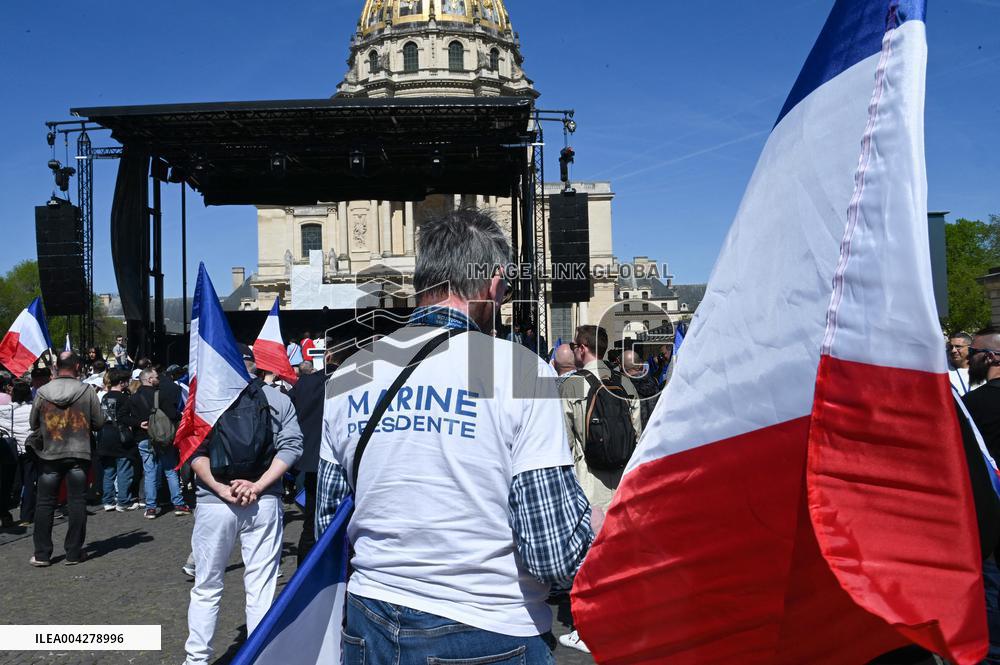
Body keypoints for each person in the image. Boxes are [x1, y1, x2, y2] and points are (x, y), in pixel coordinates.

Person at [317, 209, 593, 665]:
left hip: (370, 621)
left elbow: (328, 522)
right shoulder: (519, 369)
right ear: (494, 283)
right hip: (490, 630)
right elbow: (551, 552)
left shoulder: (351, 371)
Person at [184, 343, 302, 665]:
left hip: (215, 502)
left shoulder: (205, 400)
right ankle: (261, 656)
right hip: (263, 501)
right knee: (261, 588)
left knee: (207, 586)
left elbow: (192, 452)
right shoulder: (277, 398)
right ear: (253, 363)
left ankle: (196, 660)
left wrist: (221, 489)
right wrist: (260, 484)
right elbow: (292, 446)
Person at [557, 325, 641, 653]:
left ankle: (589, 628)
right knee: (620, 555)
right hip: (621, 482)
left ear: (581, 349)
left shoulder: (571, 385)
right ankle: (624, 619)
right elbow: (637, 432)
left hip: (587, 483)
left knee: (589, 559)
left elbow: (565, 442)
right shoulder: (625, 382)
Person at [28, 352, 104, 566]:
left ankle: (42, 554)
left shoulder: (43, 392)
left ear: (56, 367)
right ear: (77, 366)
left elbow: (34, 423)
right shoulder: (86, 391)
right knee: (77, 502)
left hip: (50, 454)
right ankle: (73, 552)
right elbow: (99, 422)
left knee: (44, 503)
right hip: (78, 453)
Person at [961, 327, 1000, 665]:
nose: (968, 358)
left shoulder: (974, 404)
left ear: (989, 358)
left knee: (991, 586)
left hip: (989, 509)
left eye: (973, 351)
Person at [127, 367, 189, 519]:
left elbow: (122, 416)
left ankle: (151, 507)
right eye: (156, 377)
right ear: (149, 379)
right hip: (162, 438)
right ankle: (179, 503)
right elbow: (172, 414)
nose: (158, 379)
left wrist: (137, 423)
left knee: (149, 473)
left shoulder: (133, 398)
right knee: (170, 471)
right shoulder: (160, 395)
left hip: (143, 438)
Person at [288, 353, 327, 565]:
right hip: (342, 464)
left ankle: (304, 575)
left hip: (311, 460)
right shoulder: (357, 378)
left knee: (310, 524)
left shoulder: (305, 384)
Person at [97, 370, 139, 512]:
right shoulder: (124, 398)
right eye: (126, 381)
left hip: (105, 434)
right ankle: (123, 501)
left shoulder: (104, 397)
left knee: (109, 470)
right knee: (124, 469)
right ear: (121, 383)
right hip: (120, 436)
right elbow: (125, 417)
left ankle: (108, 501)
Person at [1, 381, 37, 525]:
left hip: (11, 450)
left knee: (7, 483)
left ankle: (4, 514)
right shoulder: (33, 408)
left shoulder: (6, 410)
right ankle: (26, 516)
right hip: (28, 448)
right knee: (29, 482)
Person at [623, 349, 660, 430]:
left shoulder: (626, 386)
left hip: (639, 435)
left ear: (625, 369)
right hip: (656, 430)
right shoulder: (654, 381)